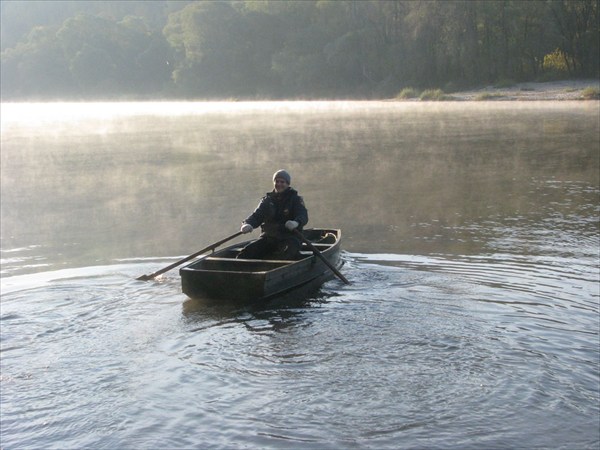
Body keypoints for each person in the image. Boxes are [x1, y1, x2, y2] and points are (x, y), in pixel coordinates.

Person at [237, 169, 308, 260]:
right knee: (246, 253)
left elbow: (303, 215)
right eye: (277, 181)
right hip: (269, 238)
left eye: (282, 182)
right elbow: (257, 216)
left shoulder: (295, 199)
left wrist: (295, 223)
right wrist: (247, 224)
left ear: (287, 184)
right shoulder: (267, 200)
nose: (279, 184)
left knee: (286, 254)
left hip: (290, 238)